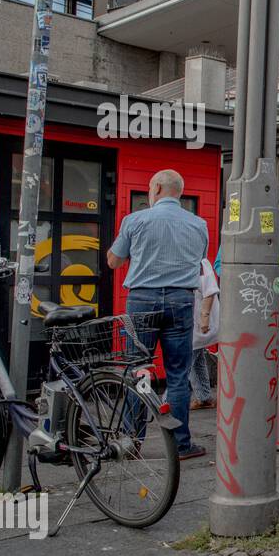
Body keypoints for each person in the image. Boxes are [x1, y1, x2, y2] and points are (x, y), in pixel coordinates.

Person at [107, 169, 209, 460]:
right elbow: (199, 259)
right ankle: (180, 445)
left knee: (137, 371)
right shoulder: (198, 224)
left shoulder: (135, 220)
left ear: (158, 189)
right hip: (181, 300)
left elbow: (114, 261)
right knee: (177, 375)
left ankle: (130, 442)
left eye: (151, 188)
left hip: (142, 300)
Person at [189, 256, 219, 410]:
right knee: (197, 359)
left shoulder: (201, 263)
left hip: (200, 325)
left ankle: (168, 400)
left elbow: (210, 290)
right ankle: (204, 397)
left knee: (184, 363)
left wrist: (204, 318)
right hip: (195, 324)